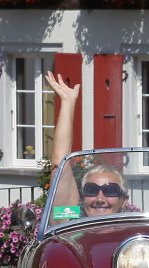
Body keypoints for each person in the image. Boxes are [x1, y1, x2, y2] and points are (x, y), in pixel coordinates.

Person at [44, 71, 128, 216]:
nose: (100, 198)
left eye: (110, 190)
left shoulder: (136, 228)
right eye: (91, 190)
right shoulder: (71, 220)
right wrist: (68, 102)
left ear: (124, 201)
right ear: (82, 198)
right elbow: (60, 165)